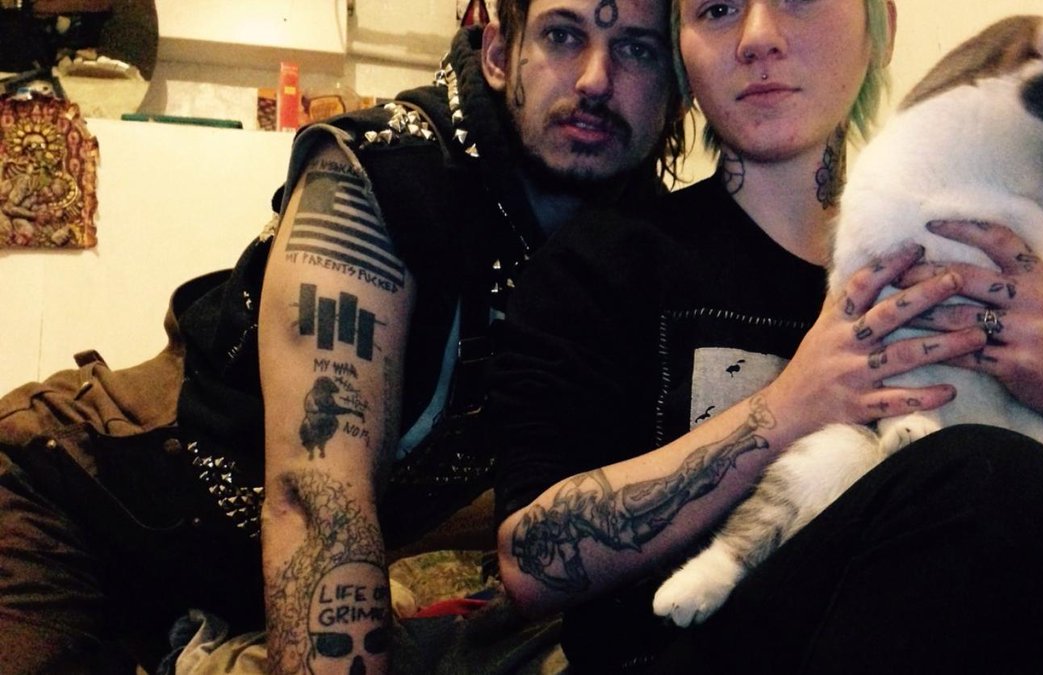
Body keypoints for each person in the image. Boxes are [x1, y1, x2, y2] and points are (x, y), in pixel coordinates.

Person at [488, 0, 1043, 673]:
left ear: (879, 27)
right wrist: (785, 409)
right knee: (983, 473)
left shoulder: (974, 248)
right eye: (716, 9)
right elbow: (527, 565)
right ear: (682, 53)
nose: (758, 37)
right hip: (679, 650)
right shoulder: (605, 260)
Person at [0, 1, 685, 672]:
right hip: (65, 505)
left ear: (675, 82)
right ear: (501, 55)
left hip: (228, 595)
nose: (596, 79)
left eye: (638, 48)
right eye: (563, 35)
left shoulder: (641, 254)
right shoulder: (386, 173)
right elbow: (316, 502)